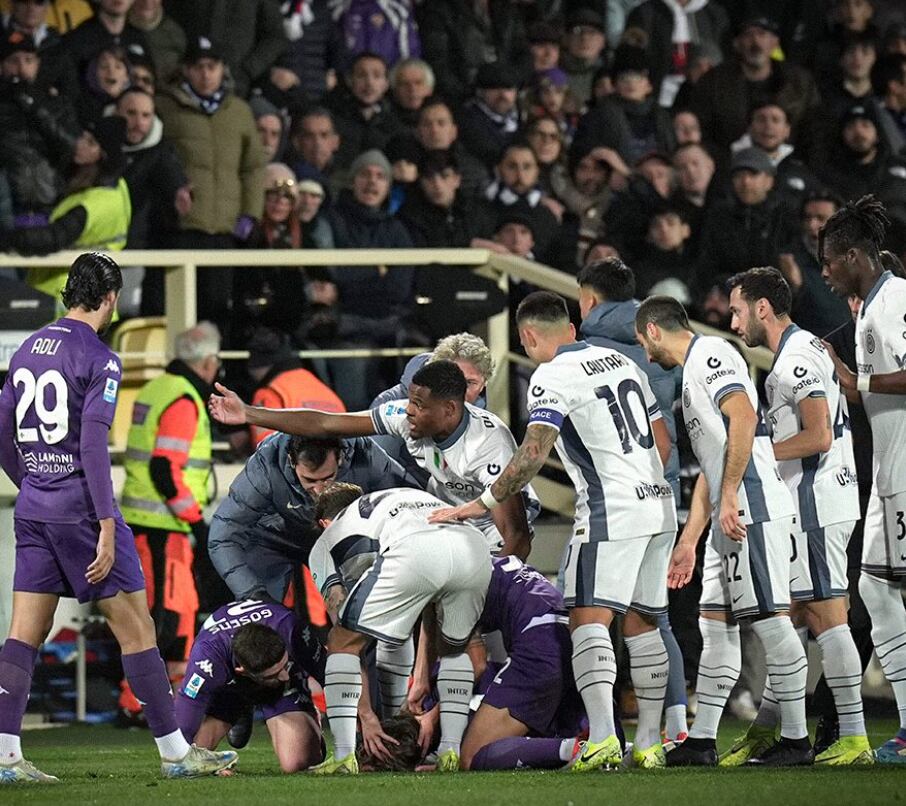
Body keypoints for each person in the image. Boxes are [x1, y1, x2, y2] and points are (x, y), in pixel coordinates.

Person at [0, 252, 237, 782]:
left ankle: (6, 757)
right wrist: (106, 522)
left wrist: (34, 485)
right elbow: (90, 444)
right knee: (137, 628)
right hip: (84, 513)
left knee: (22, 635)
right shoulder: (100, 357)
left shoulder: (26, 353)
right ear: (109, 299)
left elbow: (2, 433)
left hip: (35, 510)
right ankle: (177, 754)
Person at [430, 291, 678, 771]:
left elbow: (531, 454)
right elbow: (661, 440)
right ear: (570, 326)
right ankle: (649, 743)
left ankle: (604, 738)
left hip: (612, 510)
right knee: (644, 622)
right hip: (658, 503)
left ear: (526, 336)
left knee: (588, 620)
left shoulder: (550, 376)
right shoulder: (620, 360)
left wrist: (480, 504)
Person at [635, 296, 810, 767]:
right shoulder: (690, 375)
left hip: (749, 504)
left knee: (772, 622)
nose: (644, 351)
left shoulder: (712, 355)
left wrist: (731, 495)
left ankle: (796, 739)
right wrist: (690, 540)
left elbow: (745, 419)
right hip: (727, 509)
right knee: (716, 626)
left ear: (652, 330)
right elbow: (714, 464)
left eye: (641, 340)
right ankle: (703, 740)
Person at [726, 267, 872, 766]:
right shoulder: (801, 349)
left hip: (817, 496)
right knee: (789, 616)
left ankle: (852, 736)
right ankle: (773, 731)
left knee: (828, 615)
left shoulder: (793, 362)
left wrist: (754, 452)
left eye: (737, 309)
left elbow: (819, 436)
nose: (733, 320)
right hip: (811, 497)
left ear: (762, 307)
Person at [208, 360, 534, 558]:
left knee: (477, 625)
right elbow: (325, 423)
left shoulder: (489, 446)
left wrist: (494, 589)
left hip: (493, 527)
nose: (409, 410)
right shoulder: (406, 418)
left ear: (449, 410)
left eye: (419, 405)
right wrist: (249, 413)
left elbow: (516, 536)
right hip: (446, 517)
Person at [576, 258, 689, 743]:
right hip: (665, 489)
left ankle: (602, 733)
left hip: (613, 495)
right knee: (654, 616)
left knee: (592, 611)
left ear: (589, 299)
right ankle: (677, 727)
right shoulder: (662, 333)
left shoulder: (583, 349)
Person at [306, 483, 492, 773]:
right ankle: (450, 751)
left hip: (415, 549)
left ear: (324, 523)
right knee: (455, 649)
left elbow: (346, 636)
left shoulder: (331, 537)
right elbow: (432, 601)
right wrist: (421, 677)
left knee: (342, 641)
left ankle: (344, 756)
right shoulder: (397, 496)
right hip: (472, 546)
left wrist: (366, 715)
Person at [819, 195, 906, 764]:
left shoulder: (891, 302)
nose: (823, 271)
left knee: (880, 590)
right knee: (874, 588)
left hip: (905, 474)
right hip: (889, 474)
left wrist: (859, 383)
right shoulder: (876, 302)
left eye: (829, 260)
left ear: (854, 256)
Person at [119, 321, 226, 690]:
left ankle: (162, 698)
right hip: (165, 525)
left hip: (148, 523)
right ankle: (142, 700)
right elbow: (164, 469)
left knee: (164, 613)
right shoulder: (183, 398)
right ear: (209, 362)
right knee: (166, 614)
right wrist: (196, 522)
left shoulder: (157, 388)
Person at [409, 555, 588, 771]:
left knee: (471, 756)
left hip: (539, 645)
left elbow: (475, 665)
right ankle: (604, 741)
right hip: (569, 633)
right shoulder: (469, 562)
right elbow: (431, 611)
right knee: (542, 729)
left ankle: (577, 749)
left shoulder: (452, 587)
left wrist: (433, 717)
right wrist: (420, 677)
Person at [208, 433, 414, 606]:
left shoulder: (365, 455)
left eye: (327, 478)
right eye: (309, 480)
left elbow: (412, 500)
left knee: (361, 611)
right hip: (274, 537)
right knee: (259, 612)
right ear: (291, 461)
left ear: (341, 457)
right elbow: (222, 535)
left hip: (338, 535)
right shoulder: (265, 466)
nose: (319, 489)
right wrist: (252, 592)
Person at [175, 602, 325, 772]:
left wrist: (352, 735)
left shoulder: (289, 627)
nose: (284, 676)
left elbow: (332, 676)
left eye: (284, 666)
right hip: (230, 685)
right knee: (192, 755)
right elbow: (185, 718)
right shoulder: (208, 658)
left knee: (298, 763)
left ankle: (303, 711)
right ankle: (241, 704)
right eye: (274, 674)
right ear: (242, 671)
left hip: (272, 683)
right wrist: (184, 761)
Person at [246, 326, 346, 448]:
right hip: (335, 460)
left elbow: (265, 445)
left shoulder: (270, 392)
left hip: (299, 462)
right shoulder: (324, 390)